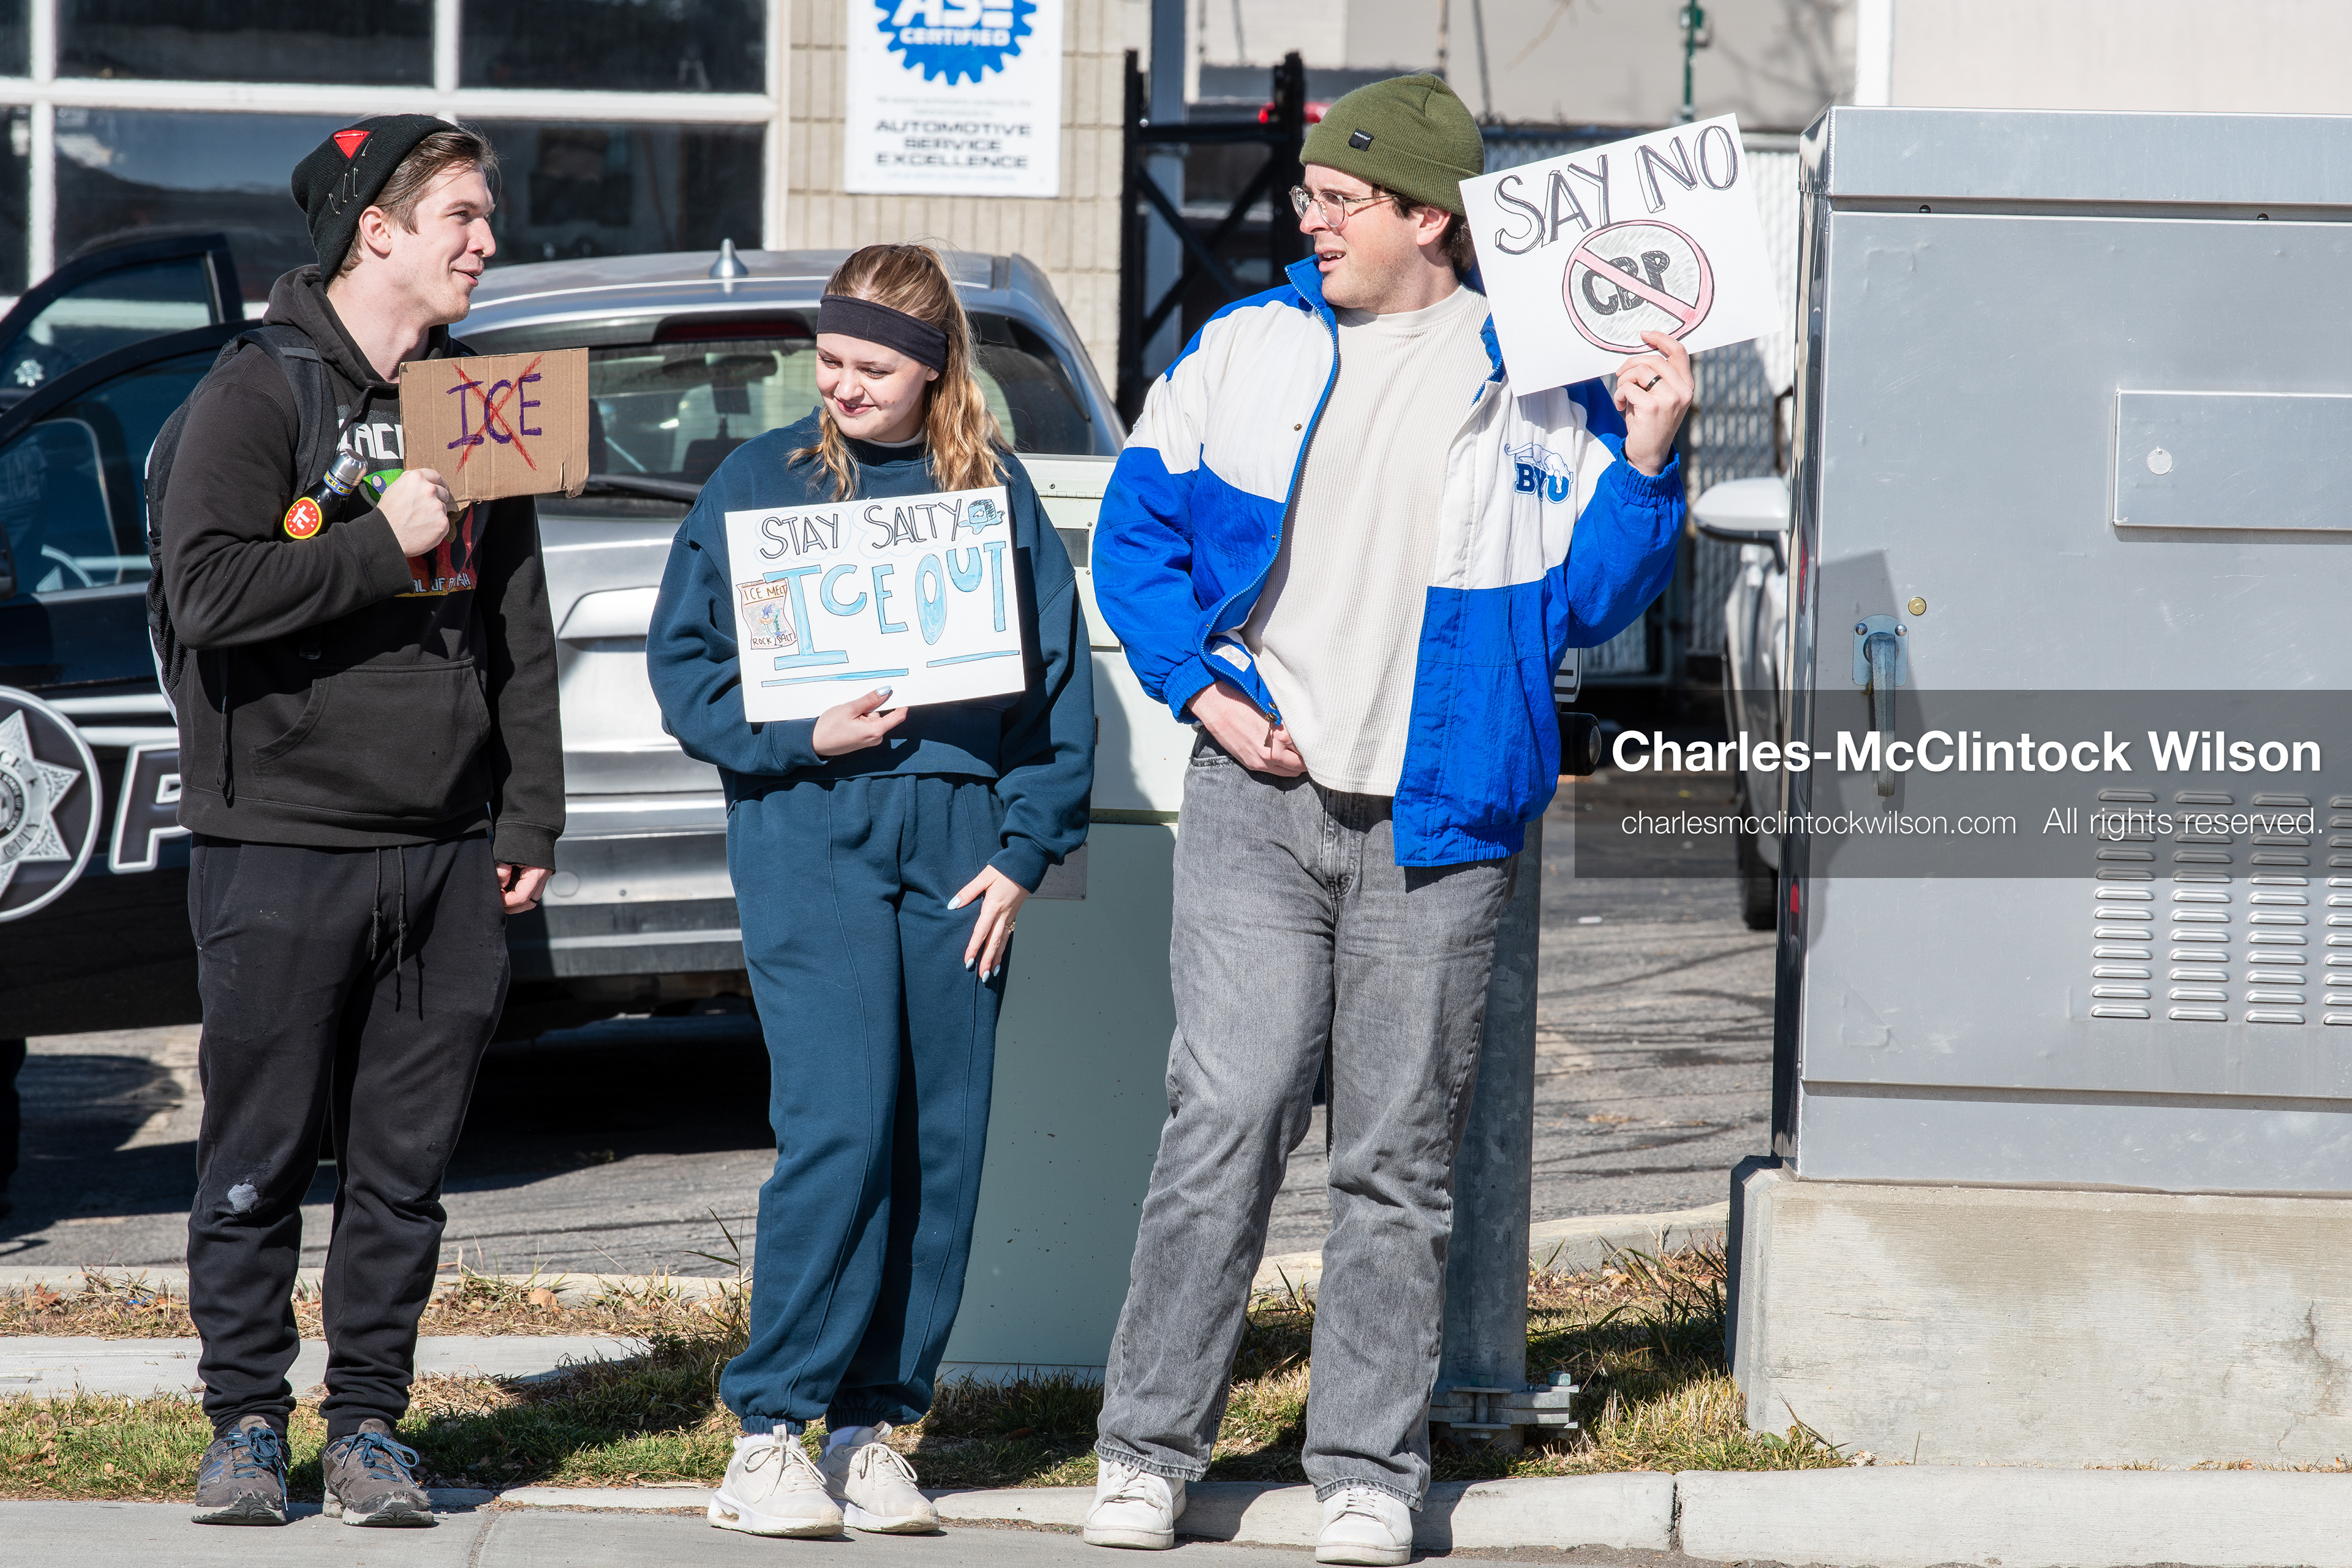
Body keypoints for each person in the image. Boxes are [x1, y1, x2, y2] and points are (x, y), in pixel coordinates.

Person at [1082, 75, 1691, 1564]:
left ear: (1430, 217)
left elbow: (1593, 600)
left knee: (1396, 1158)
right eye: (1311, 197)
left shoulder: (1540, 371)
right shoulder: (1248, 348)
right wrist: (1202, 695)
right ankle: (1147, 1448)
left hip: (1442, 809)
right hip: (1259, 799)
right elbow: (1135, 538)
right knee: (1222, 1120)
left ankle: (1364, 1464)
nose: (1310, 220)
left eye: (1340, 201)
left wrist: (1655, 453)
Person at [646, 243, 1093, 1541]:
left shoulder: (990, 489)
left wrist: (1026, 847)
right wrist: (800, 734)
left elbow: (1058, 694)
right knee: (842, 1123)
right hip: (811, 827)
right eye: (828, 361)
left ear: (934, 369)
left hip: (959, 842)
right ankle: (770, 1426)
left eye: (870, 368)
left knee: (938, 1141)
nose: (841, 386)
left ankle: (873, 1424)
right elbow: (686, 673)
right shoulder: (757, 481)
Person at [157, 116, 562, 1528]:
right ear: (373, 230)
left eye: (486, 215)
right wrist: (371, 546)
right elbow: (203, 595)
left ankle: (373, 1423)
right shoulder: (255, 392)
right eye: (459, 215)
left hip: (448, 851)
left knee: (404, 1167)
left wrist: (531, 810)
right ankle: (247, 1424)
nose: (485, 242)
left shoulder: (478, 394)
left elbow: (518, 619)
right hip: (279, 845)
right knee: (259, 1153)